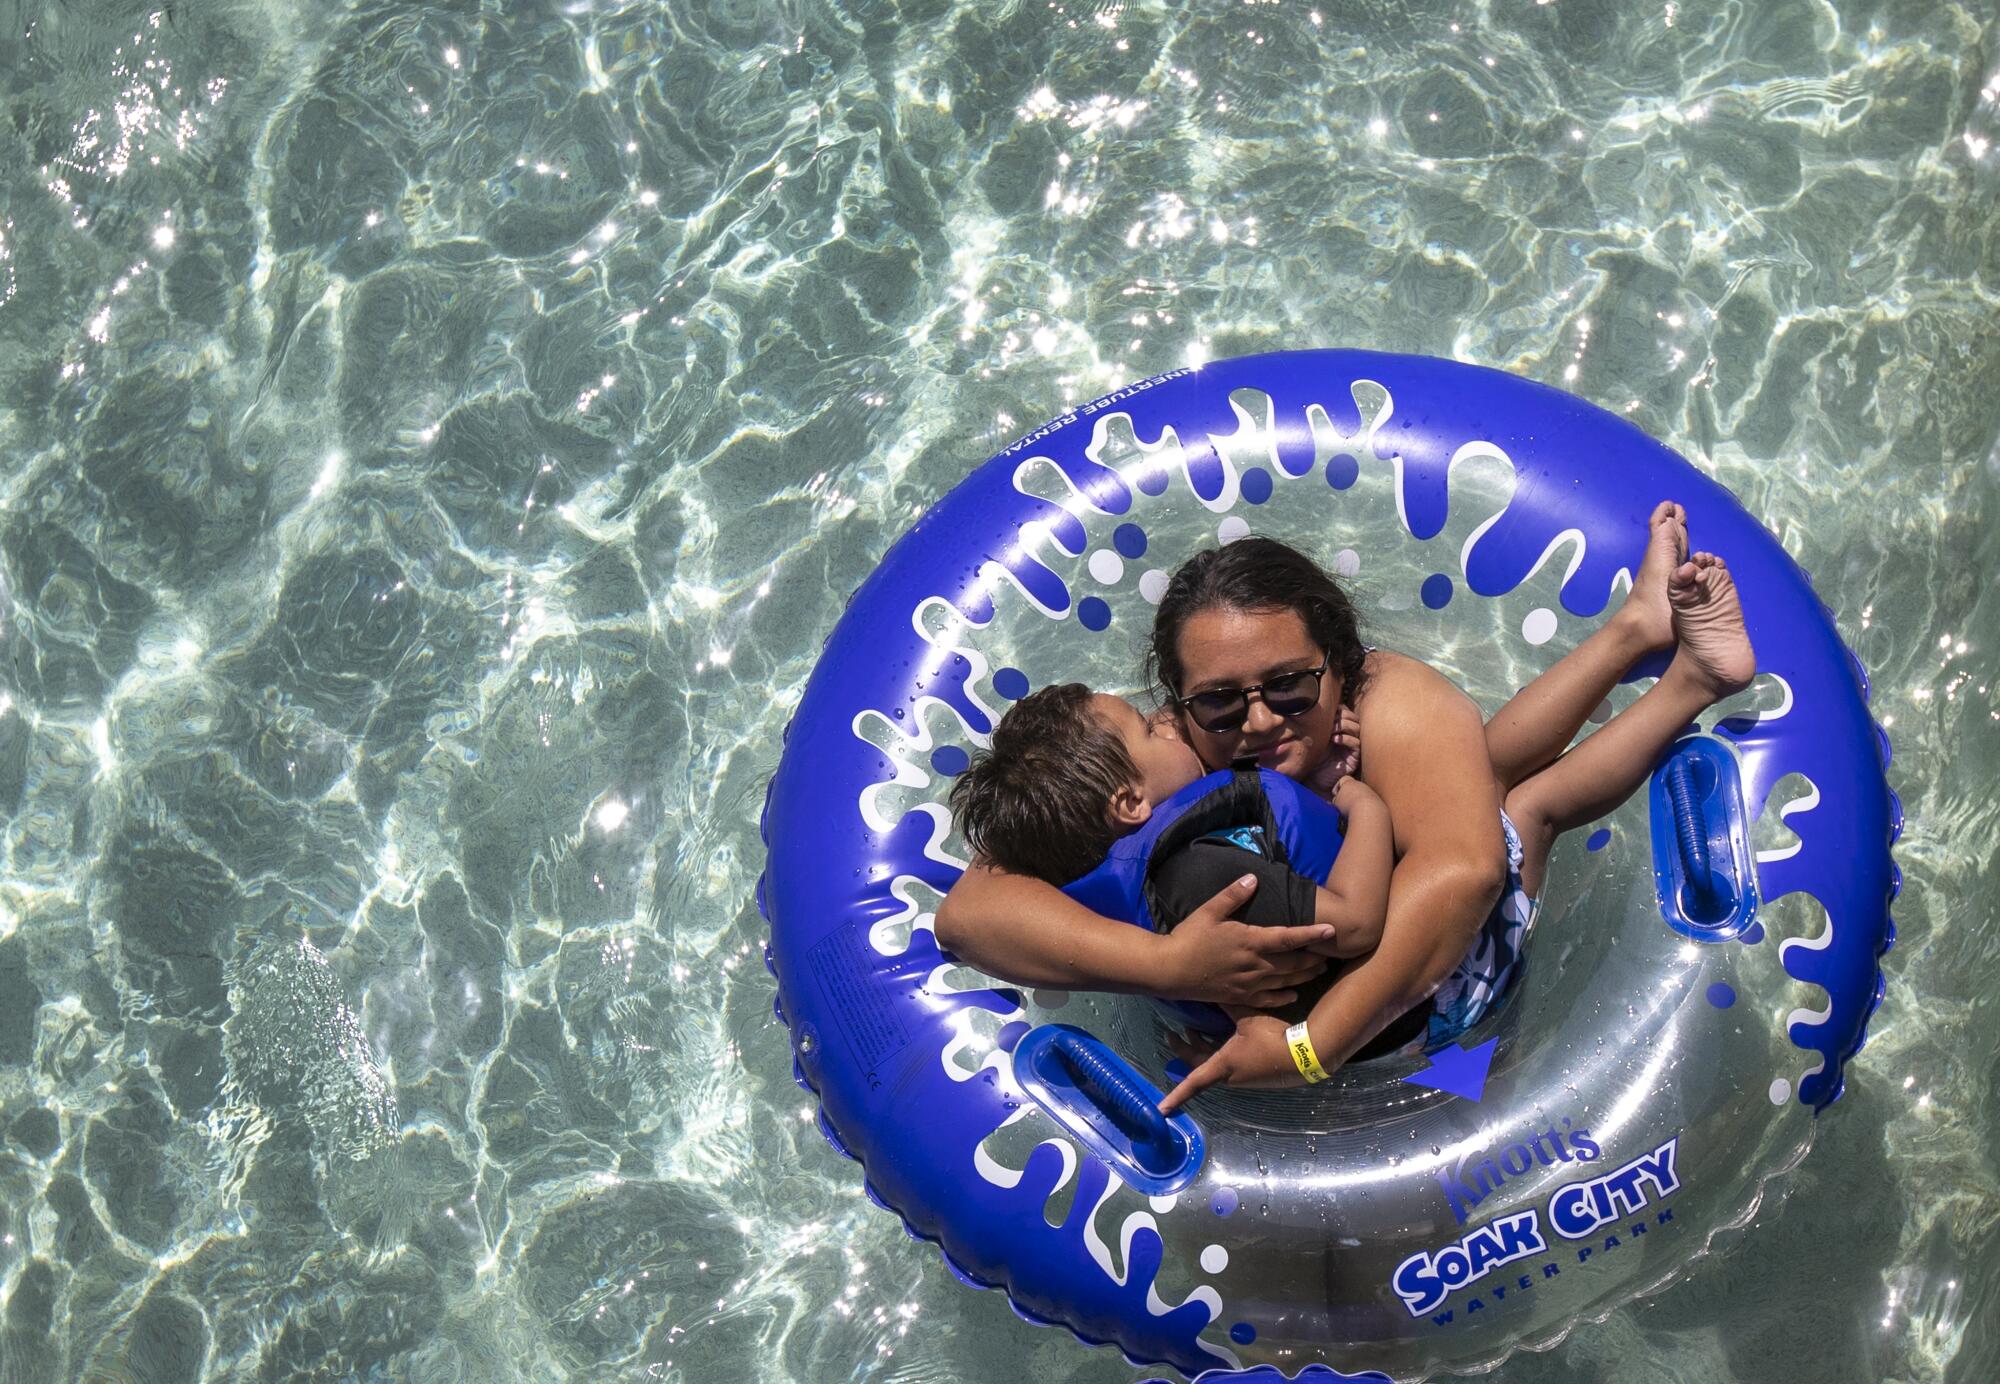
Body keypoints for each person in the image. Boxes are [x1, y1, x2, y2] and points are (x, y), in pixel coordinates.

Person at [934, 502, 1757, 1107]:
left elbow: (1466, 873)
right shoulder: (1150, 760)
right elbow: (967, 918)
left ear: (1339, 662)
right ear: (1176, 703)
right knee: (1488, 778)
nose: (1258, 721)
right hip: (1324, 895)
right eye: (1218, 701)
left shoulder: (1391, 699)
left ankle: (1686, 677)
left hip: (1432, 987)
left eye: (1290, 685)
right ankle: (1640, 632)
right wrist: (1170, 966)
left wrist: (1304, 1051)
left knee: (1519, 806)